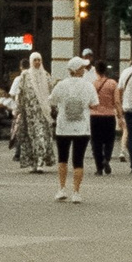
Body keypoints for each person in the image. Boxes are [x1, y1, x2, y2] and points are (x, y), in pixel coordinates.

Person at [50, 56, 97, 203]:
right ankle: (76, 192)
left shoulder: (61, 85)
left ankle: (62, 188)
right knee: (78, 160)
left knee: (62, 158)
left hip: (63, 126)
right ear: (78, 70)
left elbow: (51, 101)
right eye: (82, 67)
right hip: (82, 127)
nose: (84, 69)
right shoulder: (88, 86)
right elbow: (95, 104)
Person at [11, 52, 57, 172]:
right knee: (30, 138)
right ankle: (33, 163)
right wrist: (18, 109)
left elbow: (52, 92)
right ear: (31, 61)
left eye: (39, 60)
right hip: (29, 113)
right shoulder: (25, 75)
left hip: (43, 112)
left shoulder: (46, 75)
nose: (37, 62)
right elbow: (19, 93)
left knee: (41, 136)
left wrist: (53, 106)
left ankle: (40, 162)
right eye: (35, 60)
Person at [88, 60, 121, 176]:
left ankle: (99, 168)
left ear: (96, 70)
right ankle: (106, 158)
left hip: (95, 116)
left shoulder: (92, 84)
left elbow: (89, 102)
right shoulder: (113, 83)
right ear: (106, 70)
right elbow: (117, 101)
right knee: (109, 140)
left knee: (96, 142)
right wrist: (120, 116)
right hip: (109, 116)